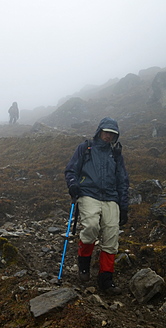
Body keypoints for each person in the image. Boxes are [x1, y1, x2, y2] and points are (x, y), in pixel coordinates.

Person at [65, 117, 129, 295]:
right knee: (91, 226)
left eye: (112, 133)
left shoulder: (116, 154)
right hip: (88, 194)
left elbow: (122, 180)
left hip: (111, 198)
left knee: (111, 237)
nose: (108, 136)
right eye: (106, 131)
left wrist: (123, 206)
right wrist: (73, 185)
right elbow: (71, 170)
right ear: (100, 130)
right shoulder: (85, 148)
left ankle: (106, 279)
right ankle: (84, 264)